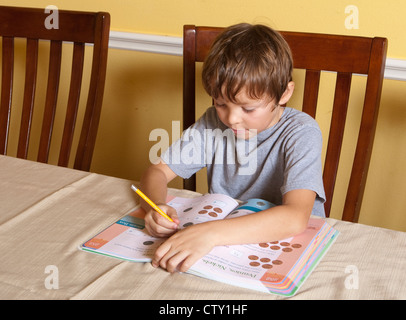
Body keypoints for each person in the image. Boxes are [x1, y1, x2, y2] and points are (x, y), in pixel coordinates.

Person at [139, 23, 326, 273]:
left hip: (285, 247)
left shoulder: (302, 131)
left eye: (248, 109)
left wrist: (210, 234)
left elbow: (295, 217)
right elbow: (157, 172)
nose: (232, 118)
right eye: (220, 103)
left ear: (284, 93)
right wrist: (157, 206)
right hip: (226, 246)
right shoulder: (212, 122)